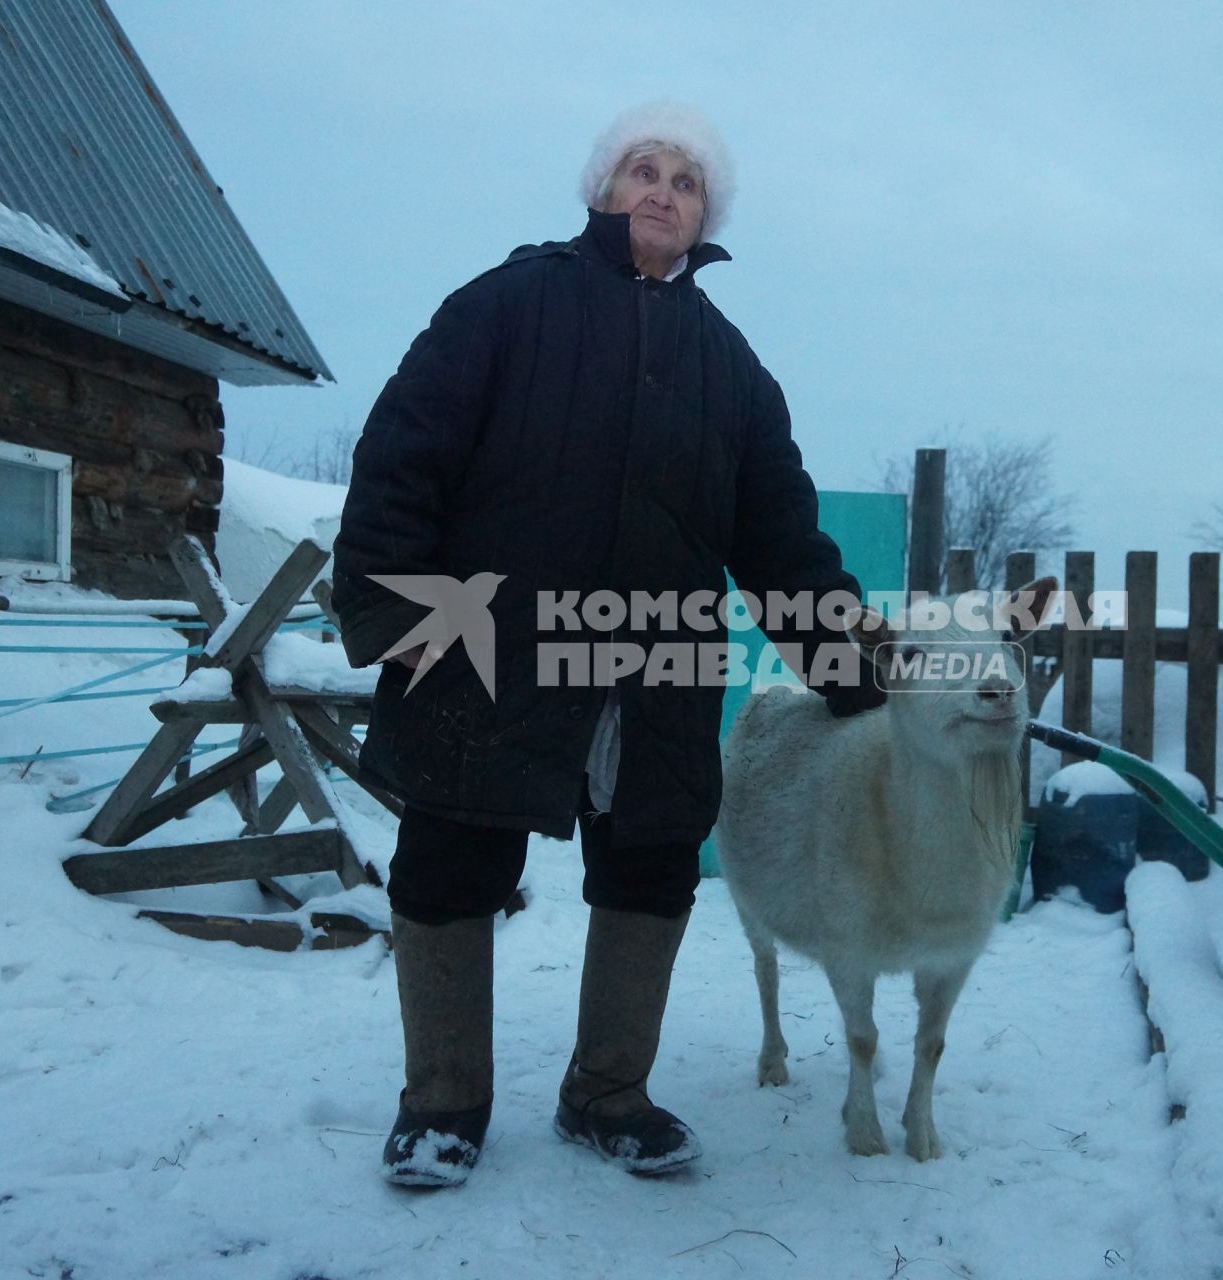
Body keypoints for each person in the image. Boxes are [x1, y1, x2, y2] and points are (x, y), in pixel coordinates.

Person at [332, 101, 884, 1188]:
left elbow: (778, 534)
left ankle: (605, 1094)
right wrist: (395, 606)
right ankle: (441, 1102)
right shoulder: (507, 303)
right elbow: (403, 452)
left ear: (703, 216)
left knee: (649, 863)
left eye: (686, 181)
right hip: (489, 646)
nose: (663, 191)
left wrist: (844, 657)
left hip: (658, 669)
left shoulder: (730, 367)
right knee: (451, 856)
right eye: (644, 168)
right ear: (601, 188)